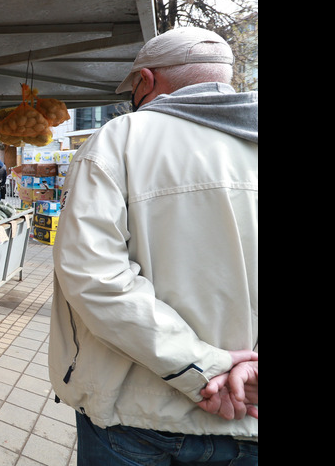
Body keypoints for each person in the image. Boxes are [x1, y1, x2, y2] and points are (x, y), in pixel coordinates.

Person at [47, 27, 258, 465]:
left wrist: (203, 368)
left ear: (147, 80)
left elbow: (94, 277)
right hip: (248, 410)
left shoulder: (118, 141)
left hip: (133, 415)